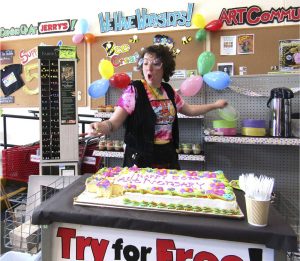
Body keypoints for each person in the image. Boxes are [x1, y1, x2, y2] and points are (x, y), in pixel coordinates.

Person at [89, 45, 227, 169]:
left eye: (156, 64)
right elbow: (114, 123)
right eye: (146, 63)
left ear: (165, 68)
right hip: (141, 157)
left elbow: (189, 110)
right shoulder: (134, 91)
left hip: (167, 155)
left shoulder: (168, 90)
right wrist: (101, 126)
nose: (149, 67)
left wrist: (215, 105)